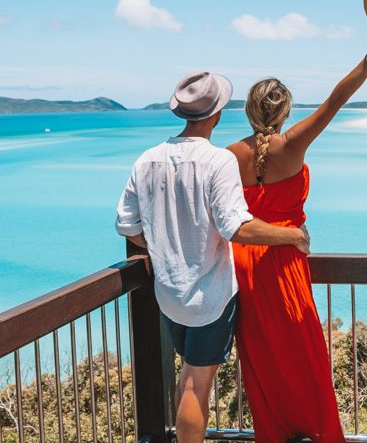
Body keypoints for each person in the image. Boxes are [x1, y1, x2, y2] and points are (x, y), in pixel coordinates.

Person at [115, 71, 311, 443]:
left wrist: (159, 246)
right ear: (218, 114)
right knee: (196, 384)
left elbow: (127, 225)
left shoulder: (147, 160)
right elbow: (237, 227)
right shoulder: (216, 161)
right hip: (209, 296)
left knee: (187, 377)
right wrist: (292, 236)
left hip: (168, 294)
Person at [226, 19, 367, 443]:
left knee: (262, 358)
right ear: (284, 111)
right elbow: (338, 99)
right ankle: (317, 431)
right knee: (302, 353)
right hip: (282, 262)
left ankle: (275, 432)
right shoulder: (294, 143)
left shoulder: (229, 155)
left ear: (248, 111)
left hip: (242, 266)